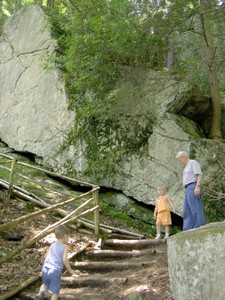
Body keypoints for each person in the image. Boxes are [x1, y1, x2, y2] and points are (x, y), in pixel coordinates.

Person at [35, 225, 74, 300]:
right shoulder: (65, 247)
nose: (68, 239)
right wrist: (70, 270)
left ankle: (41, 293)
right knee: (55, 292)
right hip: (55, 270)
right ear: (65, 236)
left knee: (45, 284)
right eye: (68, 237)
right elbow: (65, 259)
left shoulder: (52, 245)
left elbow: (46, 256)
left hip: (45, 268)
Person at [176, 151, 205, 231]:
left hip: (193, 186)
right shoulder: (186, 166)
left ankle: (198, 226)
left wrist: (197, 187)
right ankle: (187, 228)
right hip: (187, 188)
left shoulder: (193, 162)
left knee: (195, 207)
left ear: (183, 157)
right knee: (187, 209)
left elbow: (199, 174)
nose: (180, 162)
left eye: (179, 160)